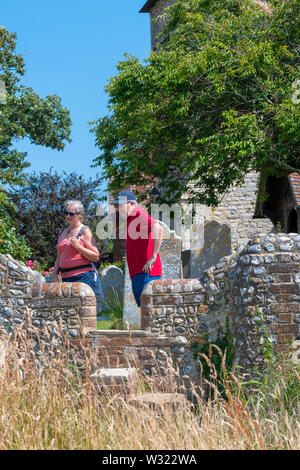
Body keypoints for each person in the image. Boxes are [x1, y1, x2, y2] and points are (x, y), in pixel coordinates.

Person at [112, 190, 163, 307]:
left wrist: (153, 257)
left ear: (131, 204)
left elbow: (158, 228)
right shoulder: (130, 218)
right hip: (138, 272)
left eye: (120, 205)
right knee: (145, 312)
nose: (117, 209)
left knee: (150, 311)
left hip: (146, 273)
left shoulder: (139, 213)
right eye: (116, 206)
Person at [52, 200, 103, 311]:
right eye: (66, 213)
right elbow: (59, 255)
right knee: (68, 312)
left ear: (80, 215)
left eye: (71, 214)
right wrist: (54, 274)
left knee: (82, 311)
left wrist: (78, 247)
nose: (67, 216)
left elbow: (95, 256)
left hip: (83, 277)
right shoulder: (62, 232)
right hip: (66, 278)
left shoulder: (85, 231)